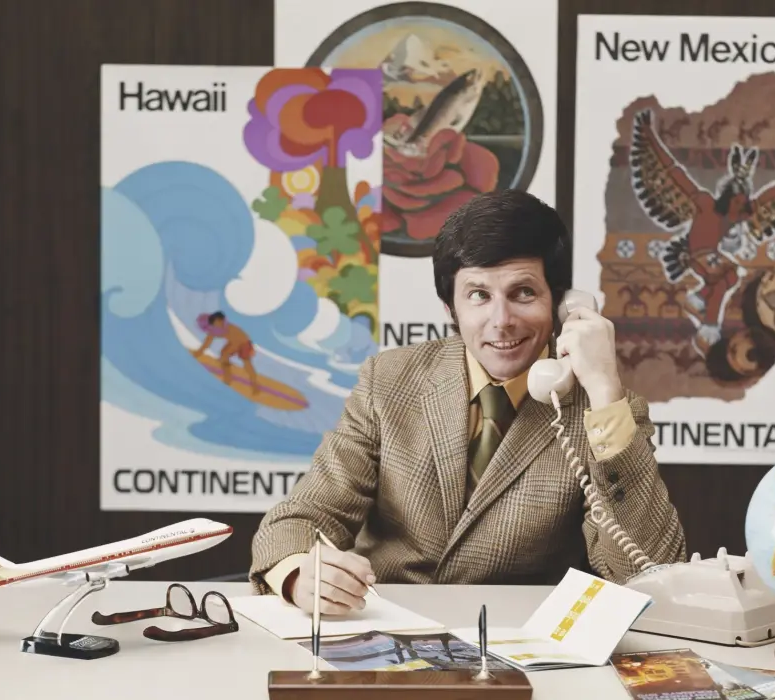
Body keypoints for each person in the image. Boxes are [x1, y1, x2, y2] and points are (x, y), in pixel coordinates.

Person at [249, 189, 686, 614]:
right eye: (479, 295)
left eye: (523, 293)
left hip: (519, 640)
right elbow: (299, 519)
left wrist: (605, 392)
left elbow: (647, 571)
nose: (502, 321)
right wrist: (299, 573)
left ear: (561, 303)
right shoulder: (389, 381)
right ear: (450, 308)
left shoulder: (602, 409)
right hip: (385, 625)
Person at [192, 311, 259, 394]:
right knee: (224, 356)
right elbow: (207, 341)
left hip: (244, 342)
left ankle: (254, 385)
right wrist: (199, 352)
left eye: (219, 322)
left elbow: (236, 342)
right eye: (215, 323)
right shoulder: (214, 329)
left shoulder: (226, 328)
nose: (217, 324)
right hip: (234, 342)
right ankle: (227, 380)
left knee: (247, 364)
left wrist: (226, 353)